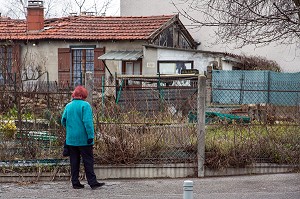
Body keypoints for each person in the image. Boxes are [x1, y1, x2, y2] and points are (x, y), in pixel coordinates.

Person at [61, 85, 105, 190]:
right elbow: (88, 123)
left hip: (71, 140)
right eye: (85, 96)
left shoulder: (68, 106)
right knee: (88, 161)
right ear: (82, 95)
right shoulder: (85, 106)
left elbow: (63, 120)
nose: (85, 98)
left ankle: (75, 183)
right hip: (84, 139)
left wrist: (71, 128)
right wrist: (90, 136)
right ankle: (92, 182)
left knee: (74, 162)